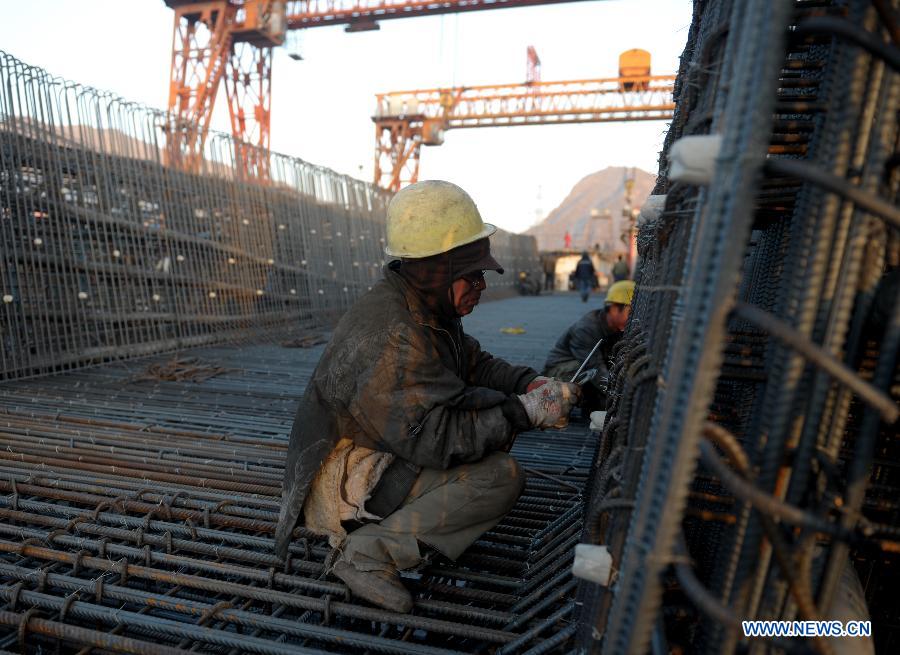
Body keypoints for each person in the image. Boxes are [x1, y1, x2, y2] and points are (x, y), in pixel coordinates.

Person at [274, 180, 581, 613]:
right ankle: (366, 554)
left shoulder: (424, 305)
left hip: (385, 447)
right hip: (346, 479)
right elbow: (436, 440)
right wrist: (523, 413)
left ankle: (395, 533)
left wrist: (528, 384)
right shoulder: (394, 336)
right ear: (440, 270)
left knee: (491, 437)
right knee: (497, 476)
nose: (482, 286)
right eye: (472, 275)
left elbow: (470, 361)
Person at [542, 280, 635, 409]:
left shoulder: (618, 329)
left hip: (590, 368)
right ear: (613, 308)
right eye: (630, 313)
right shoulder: (587, 329)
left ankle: (594, 402)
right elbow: (594, 368)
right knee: (592, 377)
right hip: (560, 371)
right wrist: (620, 396)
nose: (633, 319)